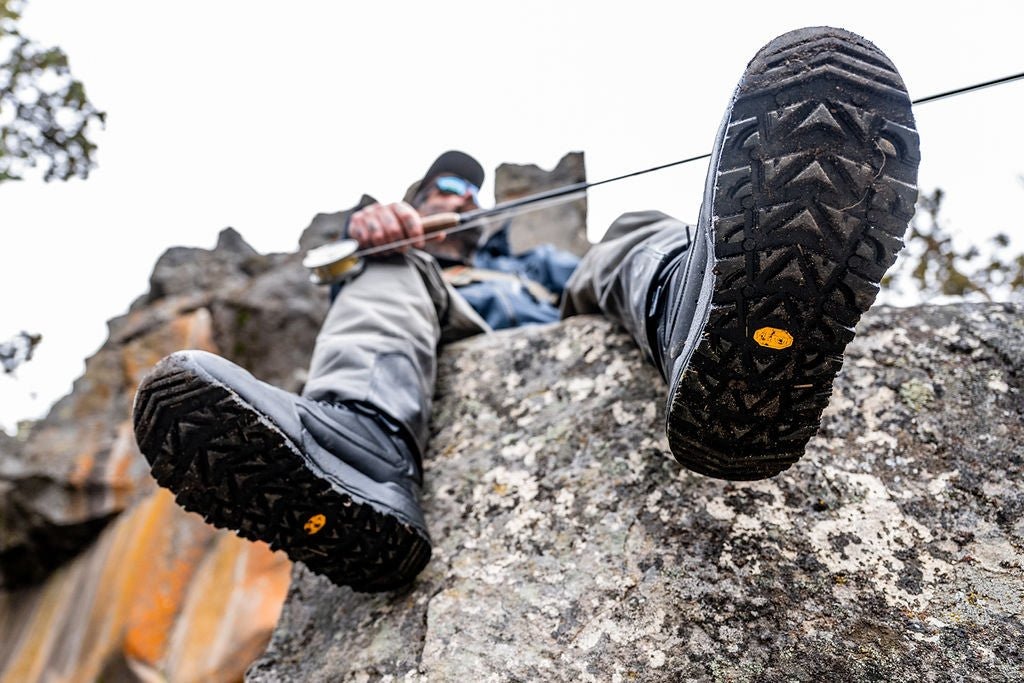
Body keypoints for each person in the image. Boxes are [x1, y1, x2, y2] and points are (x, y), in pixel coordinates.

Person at [132, 27, 920, 593]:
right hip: (437, 317)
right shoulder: (399, 263)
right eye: (442, 193)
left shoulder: (529, 259)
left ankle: (704, 322)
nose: (457, 202)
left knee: (631, 232)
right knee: (385, 273)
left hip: (554, 309)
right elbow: (375, 293)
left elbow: (586, 277)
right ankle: (362, 449)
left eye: (469, 197)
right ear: (416, 201)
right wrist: (374, 239)